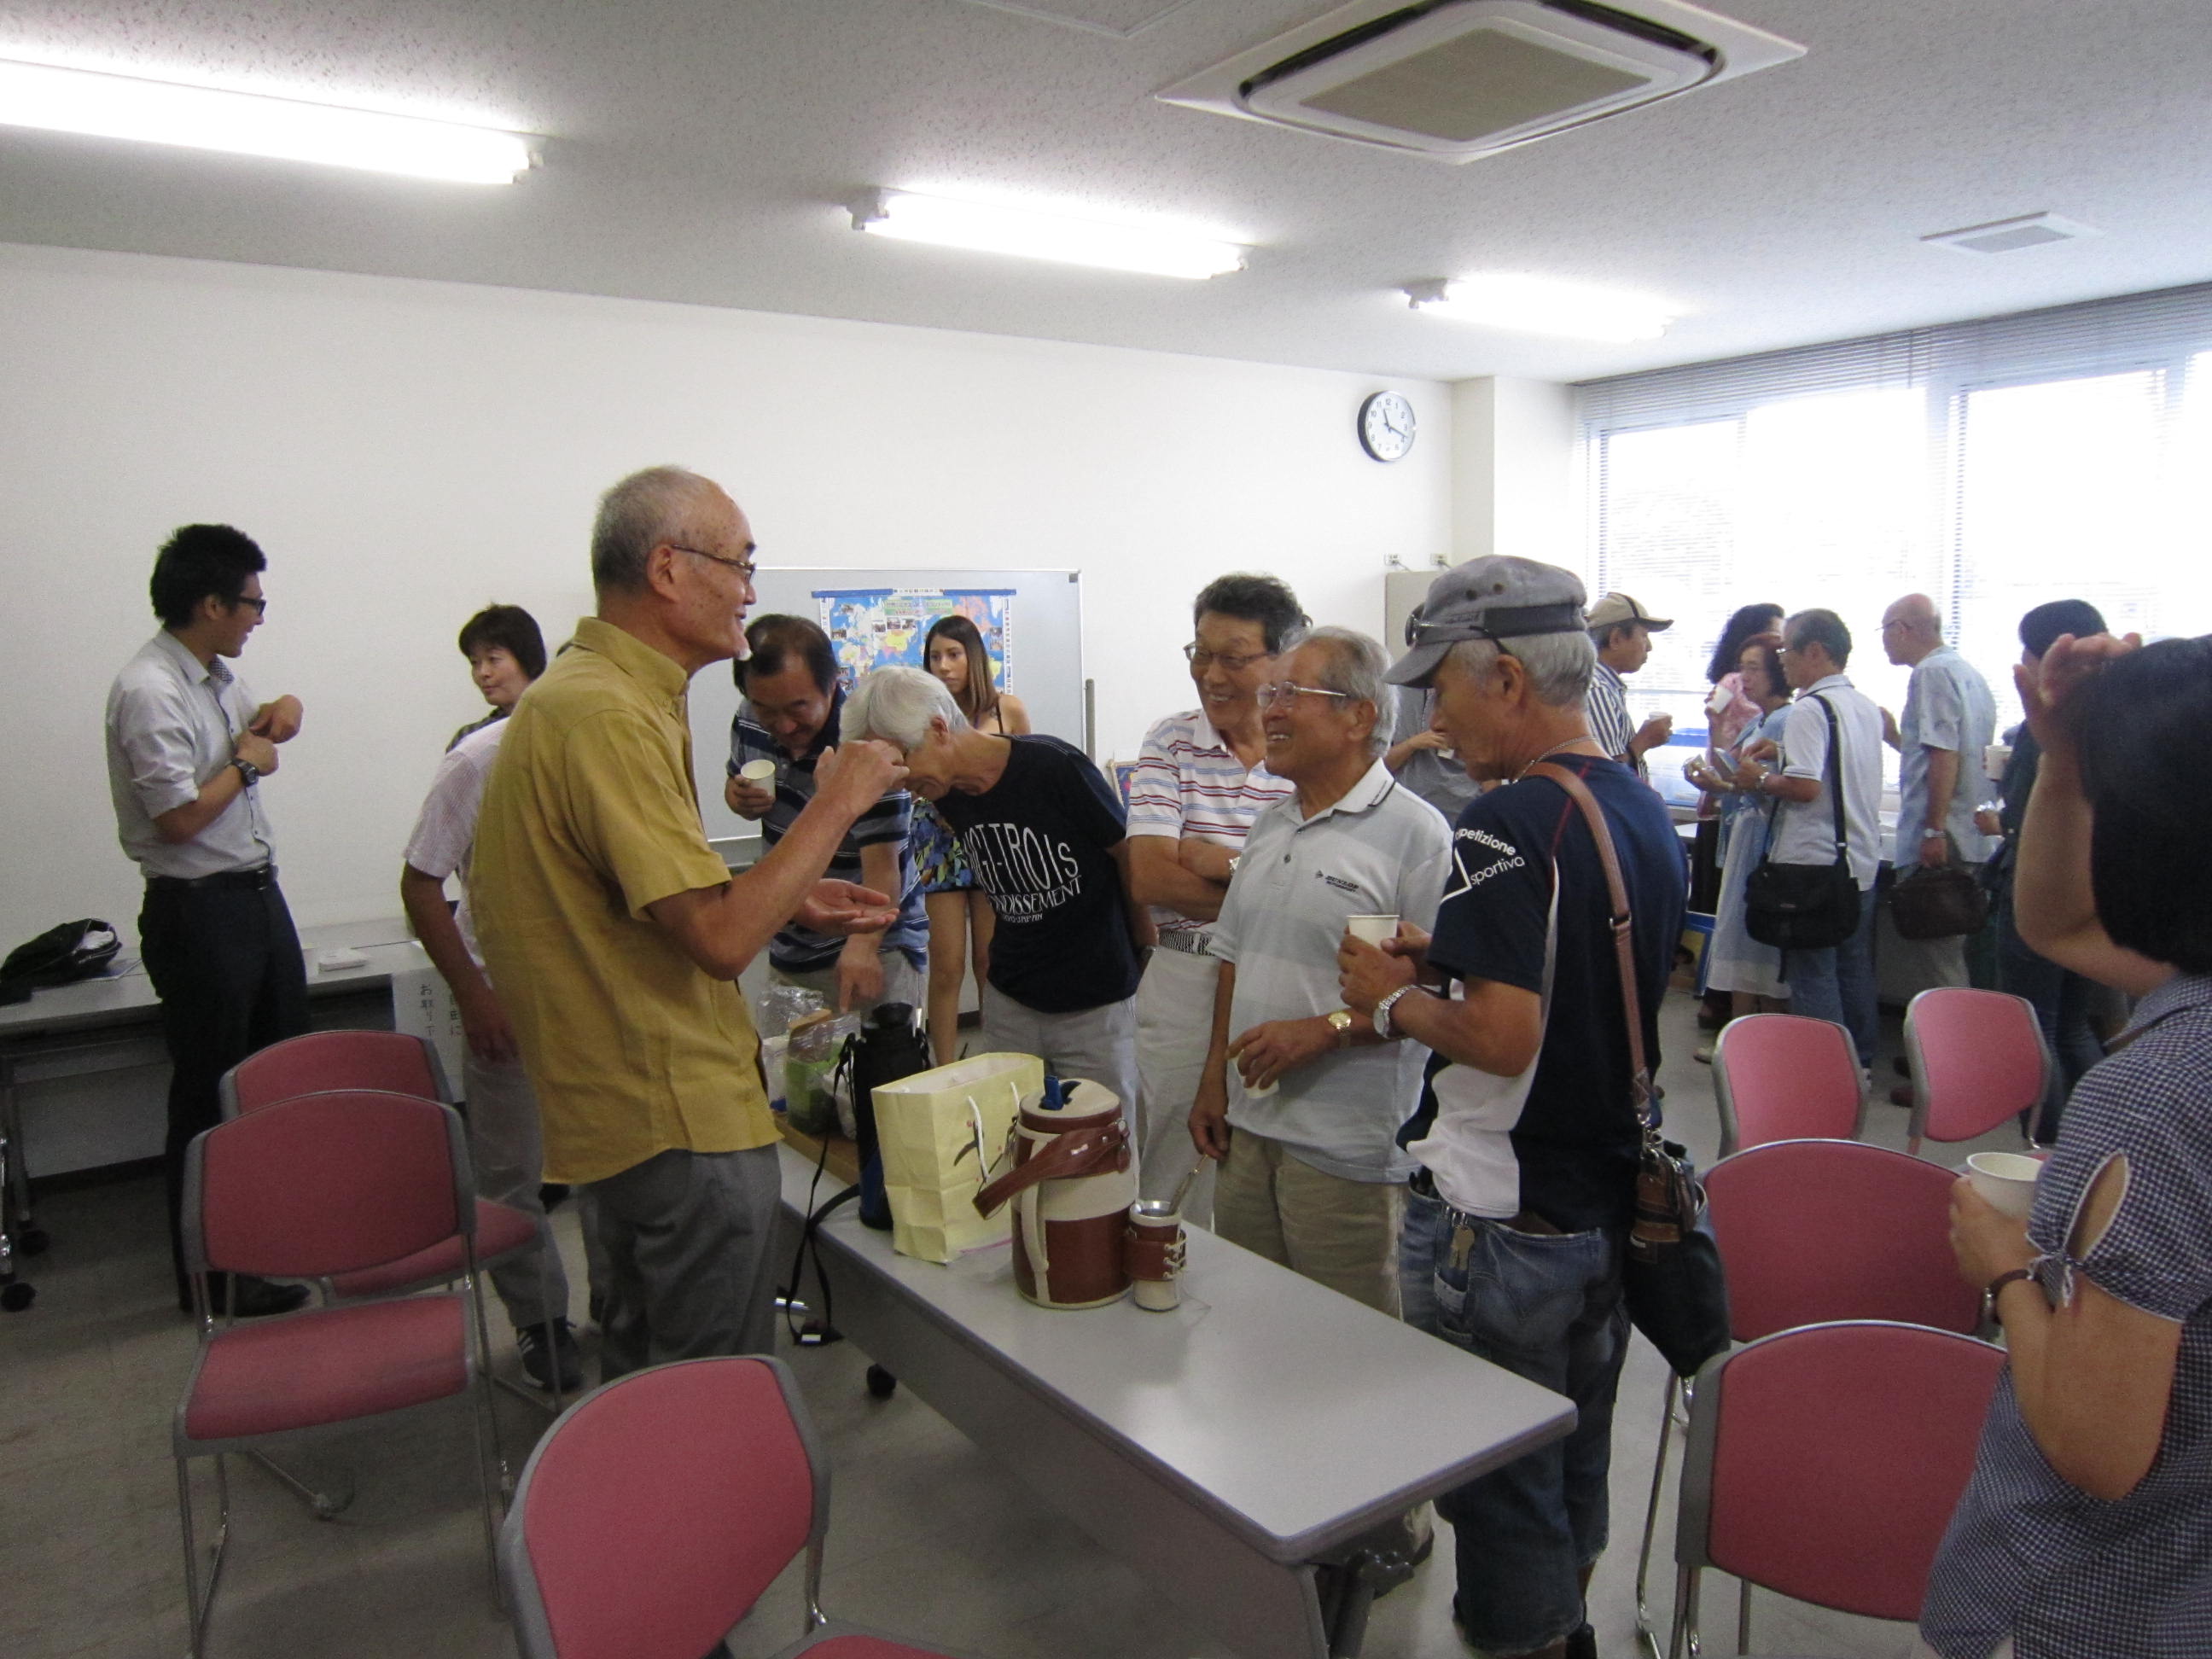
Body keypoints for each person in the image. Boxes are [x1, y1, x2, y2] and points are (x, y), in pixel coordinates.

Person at [471, 466, 903, 1380]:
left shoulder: (601, 696)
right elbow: (718, 942)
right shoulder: (605, 713)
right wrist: (843, 795)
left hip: (628, 1112)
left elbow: (642, 899)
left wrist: (798, 889)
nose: (750, 590)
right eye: (740, 563)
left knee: (643, 1376)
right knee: (707, 1398)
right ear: (668, 569)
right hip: (673, 1116)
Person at [1340, 557, 1685, 1659]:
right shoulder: (1632, 801)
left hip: (1499, 1221)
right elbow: (1579, 970)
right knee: (1576, 1455)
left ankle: (1531, 1636)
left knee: (1498, 1496)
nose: (1431, 718)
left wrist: (1393, 998)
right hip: (1599, 1209)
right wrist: (1445, 953)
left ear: (1504, 678)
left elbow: (1502, 1036)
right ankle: (1561, 1611)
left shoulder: (1502, 824)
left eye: (1441, 687)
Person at [1918, 632, 2212, 1659]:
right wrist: (2071, 757)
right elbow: (2057, 921)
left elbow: (2096, 1445)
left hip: (2112, 1601)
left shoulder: (2161, 1092)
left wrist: (2005, 1271)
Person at [1188, 628, 1447, 1313]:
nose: (1267, 710)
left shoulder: (1418, 836)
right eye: (1269, 692)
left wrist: (1324, 1030)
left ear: (1359, 714)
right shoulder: (1270, 824)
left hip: (1345, 1150)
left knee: (1346, 1355)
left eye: (1288, 694)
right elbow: (1232, 960)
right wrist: (1213, 1079)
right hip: (1249, 1128)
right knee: (1248, 1321)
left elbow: (1433, 993)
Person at [104, 524, 311, 1318]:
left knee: (273, 1082)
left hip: (256, 897)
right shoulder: (148, 689)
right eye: (252, 602)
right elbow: (180, 820)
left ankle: (265, 1249)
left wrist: (280, 712)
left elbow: (257, 723)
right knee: (208, 1097)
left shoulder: (215, 676)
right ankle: (212, 1277)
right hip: (198, 913)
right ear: (211, 602)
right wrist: (246, 764)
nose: (259, 616)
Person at [400, 603, 581, 1392]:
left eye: (495, 655)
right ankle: (540, 1322)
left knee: (612, 1162)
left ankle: (626, 1304)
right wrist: (472, 997)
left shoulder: (593, 746)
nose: (484, 670)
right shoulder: (476, 760)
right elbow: (420, 881)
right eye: (476, 659)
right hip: (505, 992)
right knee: (511, 1178)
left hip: (588, 997)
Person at [842, 667, 1144, 1109]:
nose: (900, 780)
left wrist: (1147, 959)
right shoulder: (946, 792)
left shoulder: (1053, 767)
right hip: (1012, 1002)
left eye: (903, 762)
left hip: (1095, 1005)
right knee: (1011, 1146)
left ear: (939, 728)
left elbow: (1129, 857)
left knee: (1104, 1152)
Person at [1126, 573, 1304, 1219]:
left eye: (1233, 656)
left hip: (1281, 981)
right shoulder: (1171, 741)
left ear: (1281, 660)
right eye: (1200, 653)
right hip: (1183, 975)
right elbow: (1150, 878)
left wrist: (1217, 862)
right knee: (1175, 1151)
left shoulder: (1307, 749)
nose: (1211, 674)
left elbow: (1313, 890)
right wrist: (1264, 874)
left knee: (1269, 1156)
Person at [725, 614, 928, 1015]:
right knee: (799, 1074)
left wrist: (862, 947)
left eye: (798, 707)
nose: (782, 724)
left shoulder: (864, 738)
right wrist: (737, 799)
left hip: (873, 941)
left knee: (883, 1072)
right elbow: (739, 794)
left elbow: (884, 866)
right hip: (790, 934)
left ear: (833, 683)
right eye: (766, 708)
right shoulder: (748, 719)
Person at [1977, 600, 2110, 1138]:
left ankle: (2048, 1148)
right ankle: (2099, 1136)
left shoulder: (2049, 721)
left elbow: (2027, 806)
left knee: (2036, 1029)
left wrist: (2004, 818)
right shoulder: (2115, 716)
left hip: (2042, 886)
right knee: (2074, 1024)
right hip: (2099, 887)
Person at [1732, 609, 1884, 1071]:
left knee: (1813, 973)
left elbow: (1805, 787)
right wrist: (1781, 751)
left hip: (1812, 865)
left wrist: (1758, 778)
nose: (1783, 662)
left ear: (1815, 651)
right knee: (1853, 968)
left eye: (1787, 651)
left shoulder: (1807, 709)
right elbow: (1836, 766)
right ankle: (1859, 1062)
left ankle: (1825, 1071)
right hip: (1858, 861)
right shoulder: (1862, 706)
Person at [911, 613, 1028, 1063]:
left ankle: (995, 1061)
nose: (943, 665)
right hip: (939, 843)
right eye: (935, 656)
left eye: (954, 654)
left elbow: (1025, 774)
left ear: (974, 657)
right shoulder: (922, 714)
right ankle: (944, 1068)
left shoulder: (1006, 709)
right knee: (946, 966)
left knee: (989, 961)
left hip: (991, 841)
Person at [1882, 591, 1999, 1003]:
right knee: (1955, 955)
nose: (1884, 640)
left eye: (1885, 630)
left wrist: (1934, 829)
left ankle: (1951, 1057)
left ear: (1902, 629)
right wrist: (1896, 737)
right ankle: (1950, 1049)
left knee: (1939, 961)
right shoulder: (1967, 673)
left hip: (1943, 838)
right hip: (1971, 833)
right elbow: (1948, 754)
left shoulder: (1930, 674)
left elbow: (1944, 755)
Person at [1682, 637, 1794, 1056]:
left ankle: (1765, 1044)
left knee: (1758, 945)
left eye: (1754, 669)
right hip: (1742, 832)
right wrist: (1717, 784)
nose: (1744, 679)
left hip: (1764, 843)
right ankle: (1739, 1040)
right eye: (1742, 667)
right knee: (1734, 937)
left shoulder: (1787, 720)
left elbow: (1775, 787)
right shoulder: (1757, 722)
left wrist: (1732, 785)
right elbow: (1735, 775)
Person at [1584, 591, 1675, 781]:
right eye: (1643, 635)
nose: (1649, 646)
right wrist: (1644, 741)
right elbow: (1606, 776)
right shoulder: (1597, 689)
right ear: (1616, 639)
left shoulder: (1607, 686)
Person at [447, 602, 548, 749]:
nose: (483, 672)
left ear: (527, 658)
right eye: (475, 662)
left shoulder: (557, 727)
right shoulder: (470, 739)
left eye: (493, 659)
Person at [1385, 685, 1481, 822]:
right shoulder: (1398, 693)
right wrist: (1411, 744)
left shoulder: (1475, 692)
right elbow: (1380, 765)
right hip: (1407, 814)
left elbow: (1490, 770)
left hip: (1460, 814)